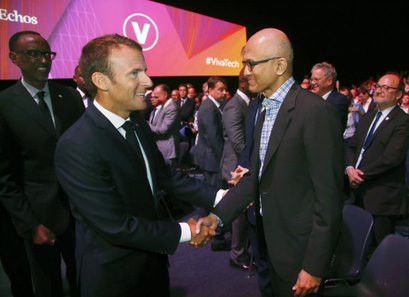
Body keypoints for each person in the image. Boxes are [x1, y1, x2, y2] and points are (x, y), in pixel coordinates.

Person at [54, 34, 221, 297]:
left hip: (153, 263)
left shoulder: (137, 123)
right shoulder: (77, 145)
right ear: (100, 81)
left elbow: (163, 176)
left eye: (145, 71)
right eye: (135, 73)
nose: (148, 81)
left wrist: (220, 195)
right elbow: (116, 226)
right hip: (114, 278)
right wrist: (186, 230)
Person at [199, 28, 344, 297]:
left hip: (299, 250)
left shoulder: (314, 112)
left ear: (279, 66)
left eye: (251, 64)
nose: (244, 72)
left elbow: (330, 198)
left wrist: (314, 266)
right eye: (244, 64)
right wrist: (217, 215)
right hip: (267, 239)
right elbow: (256, 176)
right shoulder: (261, 107)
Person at [0, 30, 84, 297]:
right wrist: (29, 224)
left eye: (47, 53)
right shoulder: (4, 104)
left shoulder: (69, 97)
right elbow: (4, 177)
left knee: (85, 278)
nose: (43, 60)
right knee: (48, 286)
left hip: (81, 213)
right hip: (40, 218)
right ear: (14, 58)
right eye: (33, 54)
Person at [345, 72, 409, 245]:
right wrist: (349, 169)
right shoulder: (368, 117)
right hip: (356, 193)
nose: (380, 91)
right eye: (379, 86)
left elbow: (391, 158)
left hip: (382, 198)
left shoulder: (402, 121)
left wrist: (360, 175)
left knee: (379, 253)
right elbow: (352, 145)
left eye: (386, 87)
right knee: (356, 248)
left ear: (398, 95)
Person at [221, 69, 252, 269]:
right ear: (244, 83)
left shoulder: (248, 103)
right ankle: (237, 255)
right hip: (235, 168)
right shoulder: (234, 106)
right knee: (239, 214)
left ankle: (242, 251)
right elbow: (239, 143)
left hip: (243, 166)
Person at [148, 84, 180, 169]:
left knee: (171, 177)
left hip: (168, 151)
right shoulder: (163, 107)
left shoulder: (171, 107)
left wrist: (146, 124)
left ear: (165, 95)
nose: (154, 97)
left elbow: (162, 129)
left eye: (156, 95)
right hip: (161, 149)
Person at [310, 62, 349, 131]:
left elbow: (332, 130)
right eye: (312, 79)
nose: (312, 82)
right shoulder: (310, 98)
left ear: (329, 81)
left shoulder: (339, 101)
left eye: (316, 79)